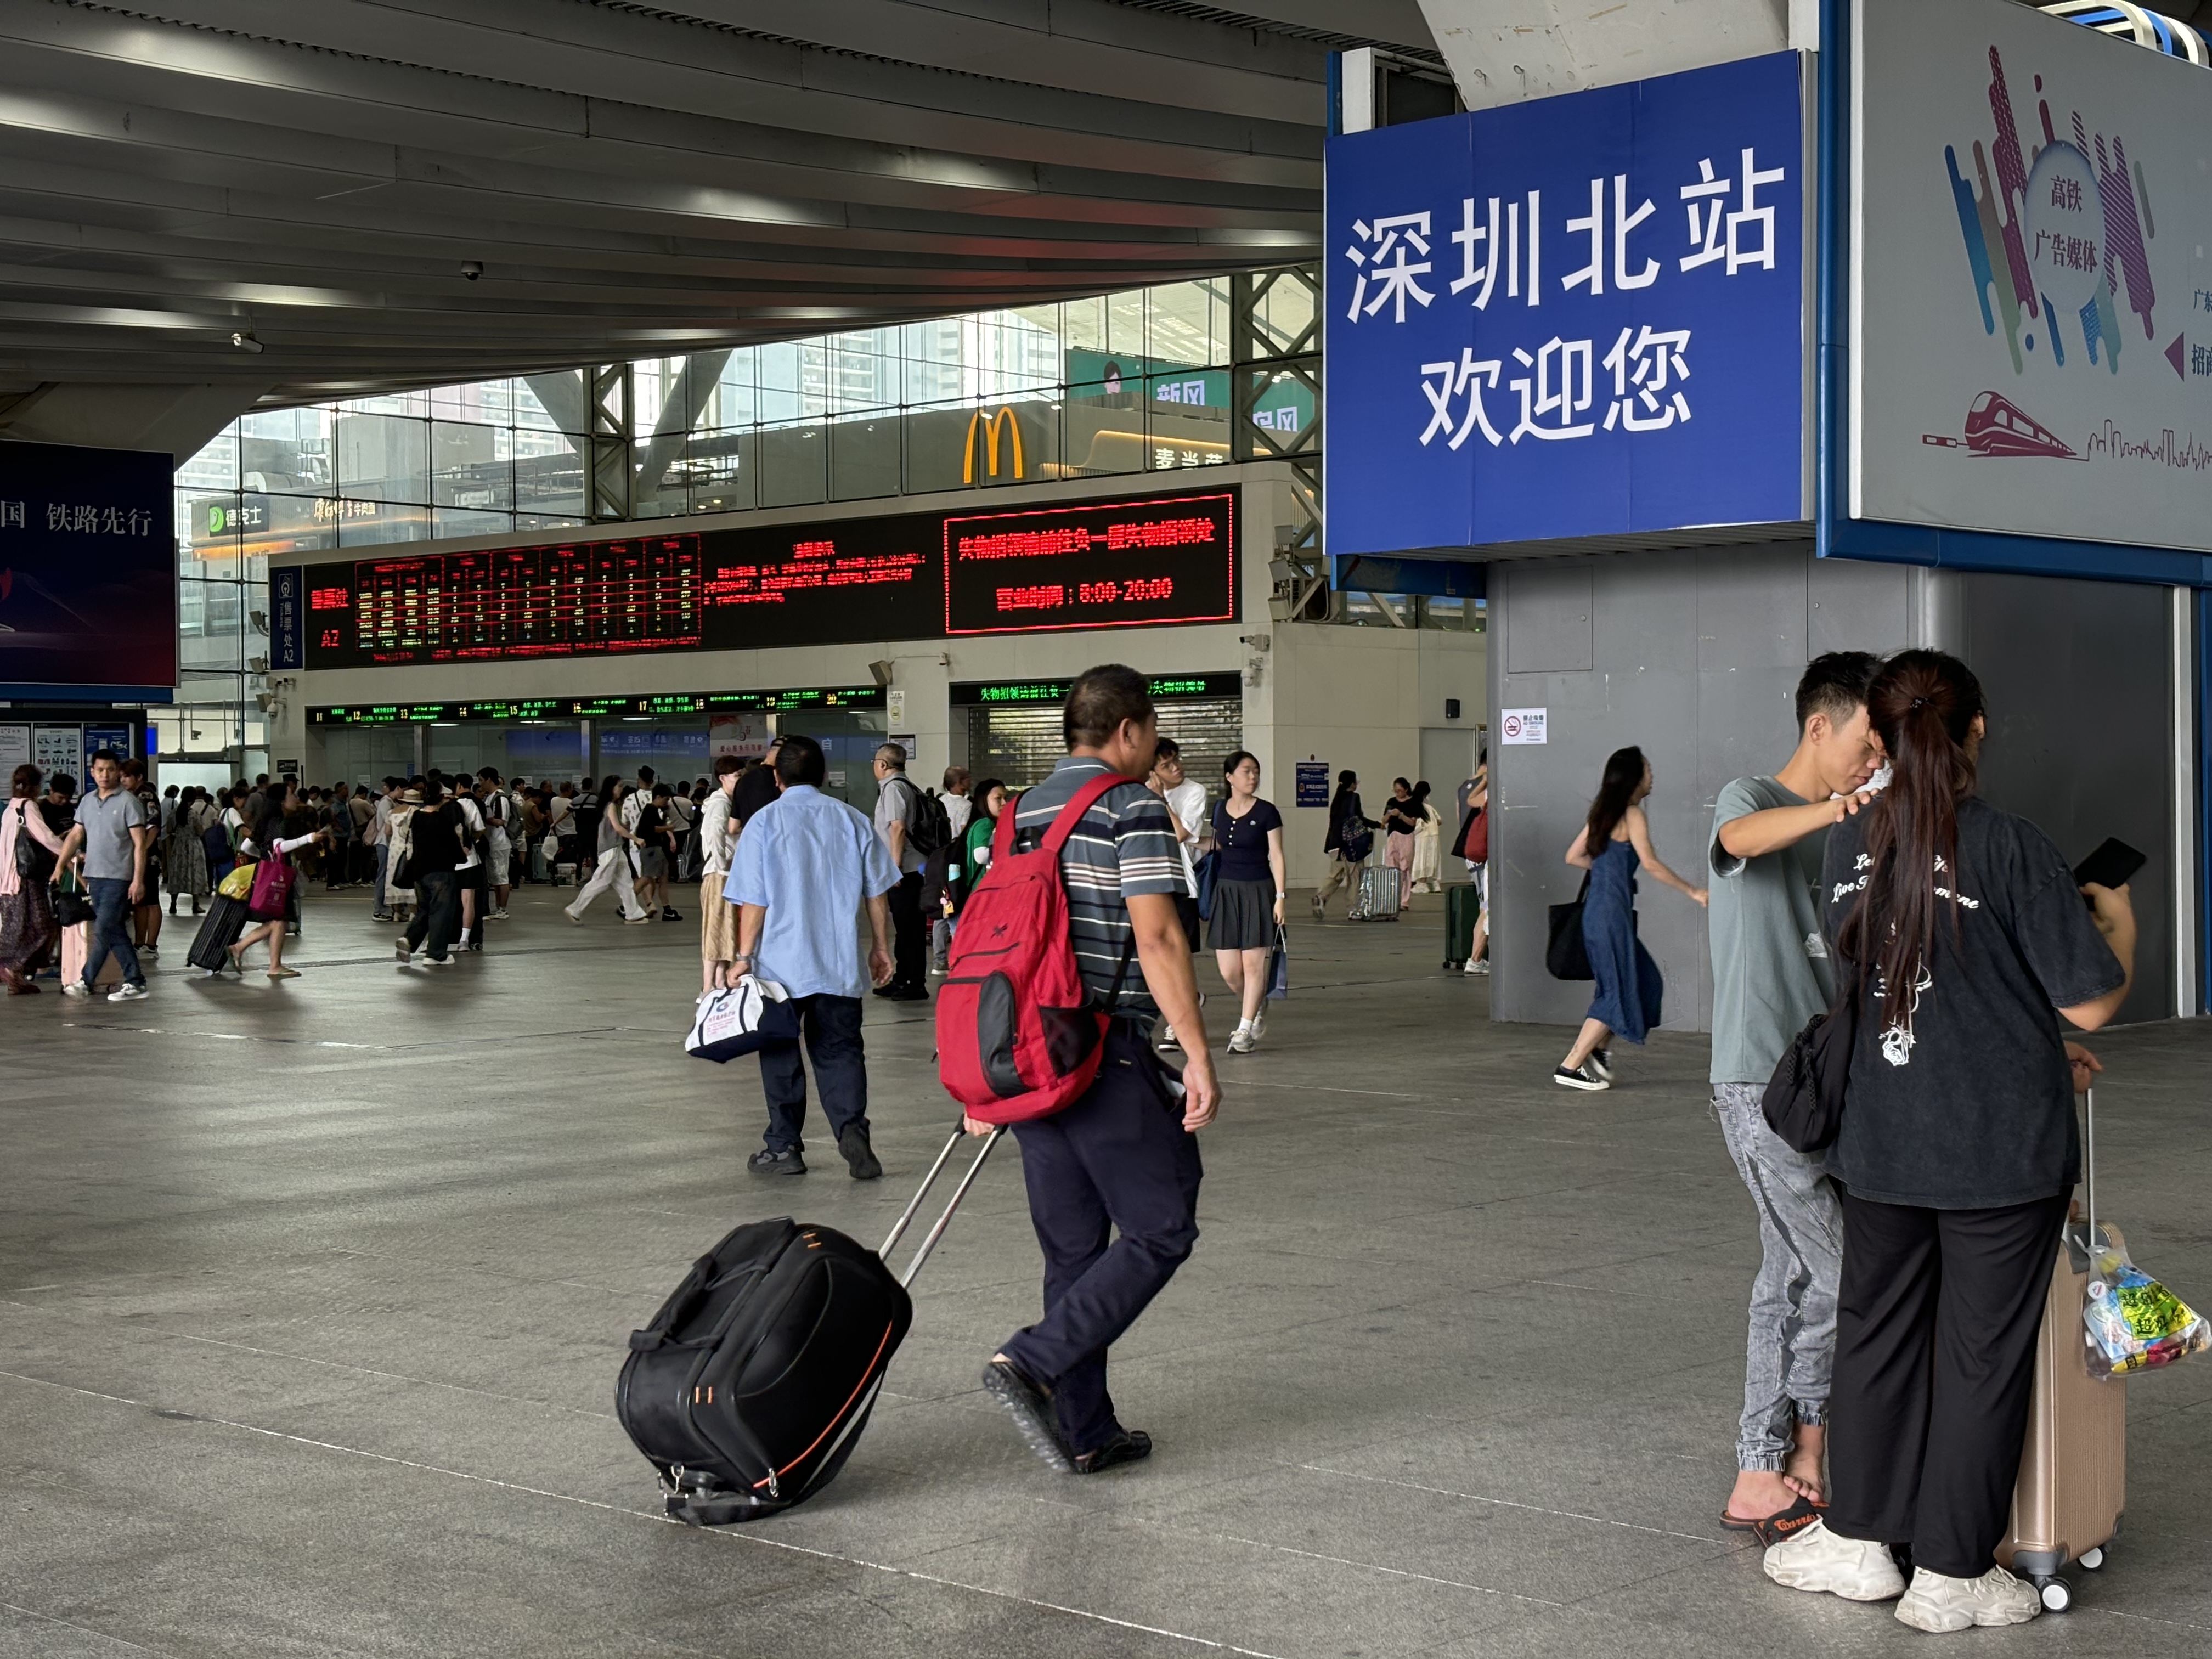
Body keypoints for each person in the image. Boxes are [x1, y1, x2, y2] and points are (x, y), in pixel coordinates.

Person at [1763, 651, 2132, 1633]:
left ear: (1878, 737)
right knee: (1979, 1355)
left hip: (1881, 1140)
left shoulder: (1851, 846)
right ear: (1974, 730)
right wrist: (2118, 922)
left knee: (1875, 1335)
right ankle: (1951, 1572)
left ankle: (1856, 1539)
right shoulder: (2010, 847)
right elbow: (2088, 998)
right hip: (1999, 1151)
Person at [972, 665, 1218, 1477]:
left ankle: (1086, 1430)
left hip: (1027, 1056)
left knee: (1074, 1252)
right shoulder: (1130, 805)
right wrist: (1196, 1047)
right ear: (1128, 732)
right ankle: (1034, 1359)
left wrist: (983, 1076)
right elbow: (1158, 938)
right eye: (1150, 734)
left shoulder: (1016, 816)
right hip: (1101, 1051)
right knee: (1161, 1224)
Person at [1707, 652, 1883, 1543]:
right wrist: (1844, 808)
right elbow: (1737, 844)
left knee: (1793, 1268)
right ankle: (1782, 1456)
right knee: (1830, 1265)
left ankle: (1777, 1466)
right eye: (1866, 741)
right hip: (1757, 1078)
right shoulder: (1751, 799)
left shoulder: (1846, 831)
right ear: (1821, 725)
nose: (1871, 761)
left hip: (1828, 1078)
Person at [721, 733, 898, 1181]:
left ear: (777, 778)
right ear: (821, 775)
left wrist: (743, 956)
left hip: (780, 968)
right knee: (841, 1051)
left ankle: (783, 1147)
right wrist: (880, 947)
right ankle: (852, 1131)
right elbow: (876, 892)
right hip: (837, 964)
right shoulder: (852, 820)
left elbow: (754, 902)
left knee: (780, 1051)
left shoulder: (764, 824)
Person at [1553, 746, 1706, 1090]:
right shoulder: (1632, 813)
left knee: (1646, 981)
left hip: (1604, 912)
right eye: (1648, 769)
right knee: (1616, 989)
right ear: (1634, 777)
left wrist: (1611, 872)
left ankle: (1599, 1050)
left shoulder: (1604, 813)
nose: (1652, 775)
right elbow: (1650, 864)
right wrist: (1693, 891)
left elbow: (1573, 856)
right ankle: (1571, 1066)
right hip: (1609, 915)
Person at [1209, 750, 1285, 1055]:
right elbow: (1218, 844)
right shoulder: (1219, 809)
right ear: (1230, 777)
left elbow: (1276, 855)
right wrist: (1188, 839)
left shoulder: (1267, 812)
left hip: (1258, 890)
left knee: (1253, 966)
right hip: (1226, 892)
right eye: (1246, 772)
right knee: (1229, 971)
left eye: (1256, 772)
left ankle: (1244, 1029)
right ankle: (1255, 1004)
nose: (1253, 777)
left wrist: (1280, 898)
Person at [64, 749, 153, 1002]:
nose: (105, 774)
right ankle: (135, 982)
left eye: (110, 770)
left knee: (103, 927)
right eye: (100, 770)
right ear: (92, 772)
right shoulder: (87, 801)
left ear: (118, 772)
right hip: (95, 877)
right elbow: (75, 835)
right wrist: (60, 865)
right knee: (113, 929)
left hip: (119, 877)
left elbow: (139, 844)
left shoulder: (129, 802)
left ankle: (86, 981)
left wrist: (138, 880)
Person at [1149, 738, 1210, 1052]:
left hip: (1181, 883)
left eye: (1177, 760)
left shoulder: (1194, 792)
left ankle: (1178, 1021)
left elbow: (1182, 834)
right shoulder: (1136, 791)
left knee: (1180, 954)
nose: (1177, 768)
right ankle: (1187, 1001)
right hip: (1147, 883)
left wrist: (1161, 799)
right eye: (1167, 765)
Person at [2, 761, 75, 993]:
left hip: (7, 880)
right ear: (37, 787)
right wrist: (71, 852)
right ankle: (11, 967)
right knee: (44, 928)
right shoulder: (28, 807)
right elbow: (46, 838)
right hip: (24, 880)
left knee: (16, 929)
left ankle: (15, 976)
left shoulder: (10, 807)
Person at [225, 820, 332, 979]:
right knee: (279, 920)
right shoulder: (279, 820)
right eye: (291, 795)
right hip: (278, 878)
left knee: (277, 921)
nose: (295, 799)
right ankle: (265, 960)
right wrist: (308, 838)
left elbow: (245, 847)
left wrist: (264, 858)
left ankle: (247, 952)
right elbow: (279, 847)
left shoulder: (265, 820)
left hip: (266, 876)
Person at [870, 741, 929, 1001]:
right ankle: (903, 979)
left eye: (875, 761)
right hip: (909, 869)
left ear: (883, 764)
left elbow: (897, 828)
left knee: (910, 930)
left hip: (904, 871)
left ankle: (915, 983)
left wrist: (894, 868)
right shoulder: (907, 786)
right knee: (906, 929)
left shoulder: (894, 788)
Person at [394, 781, 465, 966]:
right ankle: (436, 954)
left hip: (418, 871)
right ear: (442, 798)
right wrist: (462, 856)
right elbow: (454, 845)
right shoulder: (443, 820)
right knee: (442, 911)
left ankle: (409, 939)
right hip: (440, 871)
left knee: (425, 908)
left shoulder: (416, 816)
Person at [565, 776, 651, 924]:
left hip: (615, 849)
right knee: (601, 882)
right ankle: (575, 909)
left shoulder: (612, 806)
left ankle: (633, 914)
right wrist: (635, 839)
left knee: (625, 883)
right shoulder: (610, 806)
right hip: (610, 850)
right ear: (611, 788)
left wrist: (627, 831)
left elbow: (617, 827)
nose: (621, 788)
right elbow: (617, 828)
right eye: (619, 786)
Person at [697, 754, 742, 995]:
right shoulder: (720, 803)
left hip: (725, 872)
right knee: (715, 929)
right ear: (723, 778)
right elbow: (715, 834)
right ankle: (708, 987)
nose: (740, 780)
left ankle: (719, 983)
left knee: (726, 929)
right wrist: (722, 861)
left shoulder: (729, 801)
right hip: (718, 874)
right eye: (737, 776)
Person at [1312, 770, 1369, 918]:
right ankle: (1354, 908)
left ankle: (1322, 896)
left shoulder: (1337, 799)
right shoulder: (1354, 797)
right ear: (1352, 783)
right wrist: (1377, 825)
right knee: (1355, 877)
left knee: (1336, 875)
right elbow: (1358, 818)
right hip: (1351, 845)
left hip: (1334, 844)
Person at [121, 758, 163, 955]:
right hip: (137, 855)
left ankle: (151, 944)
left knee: (151, 900)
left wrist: (143, 849)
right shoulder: (131, 796)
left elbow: (153, 826)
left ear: (139, 777)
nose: (123, 780)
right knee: (139, 901)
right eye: (122, 776)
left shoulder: (146, 795)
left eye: (127, 776)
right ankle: (139, 942)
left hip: (148, 856)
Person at [1459, 758, 1491, 975]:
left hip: (1475, 855)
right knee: (1487, 910)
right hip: (1488, 859)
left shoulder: (1466, 787)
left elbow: (1470, 801)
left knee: (1486, 908)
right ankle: (1475, 958)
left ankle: (1478, 958)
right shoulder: (1497, 791)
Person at [163, 786, 213, 917]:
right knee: (194, 872)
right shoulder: (194, 814)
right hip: (193, 846)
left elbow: (169, 830)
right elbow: (200, 832)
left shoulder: (174, 813)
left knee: (177, 873)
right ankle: (195, 904)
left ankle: (173, 904)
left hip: (179, 846)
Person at [478, 768, 515, 918]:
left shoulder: (500, 798)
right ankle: (498, 908)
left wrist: (483, 819)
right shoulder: (489, 797)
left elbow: (502, 820)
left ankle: (503, 909)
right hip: (492, 842)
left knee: (502, 877)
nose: (480, 784)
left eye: (481, 780)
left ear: (488, 780)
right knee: (495, 877)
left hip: (500, 842)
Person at [1381, 777, 1418, 910]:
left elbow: (1412, 822)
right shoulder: (1391, 802)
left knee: (1405, 868)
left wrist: (1401, 815)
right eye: (1395, 791)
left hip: (1406, 836)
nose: (1397, 794)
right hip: (1393, 836)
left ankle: (1404, 901)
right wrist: (1390, 815)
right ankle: (1391, 898)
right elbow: (1384, 821)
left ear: (1406, 789)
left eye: (1400, 791)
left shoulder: (1412, 803)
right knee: (1391, 866)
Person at [1408, 779, 1443, 894]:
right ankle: (1435, 883)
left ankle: (1422, 884)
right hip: (1434, 834)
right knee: (1433, 858)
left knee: (1422, 858)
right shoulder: (1428, 806)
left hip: (1422, 835)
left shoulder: (1413, 804)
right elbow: (1439, 821)